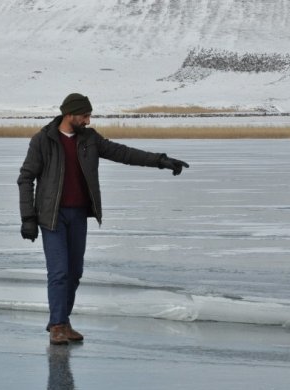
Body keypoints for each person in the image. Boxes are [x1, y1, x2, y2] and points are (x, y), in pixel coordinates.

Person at [17, 93, 188, 345]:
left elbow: (124, 153)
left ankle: (62, 320)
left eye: (89, 115)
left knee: (74, 272)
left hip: (78, 215)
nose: (88, 120)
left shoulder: (89, 139)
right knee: (59, 272)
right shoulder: (43, 140)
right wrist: (28, 218)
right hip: (51, 216)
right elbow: (25, 178)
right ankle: (57, 326)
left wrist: (160, 161)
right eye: (84, 115)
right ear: (70, 114)